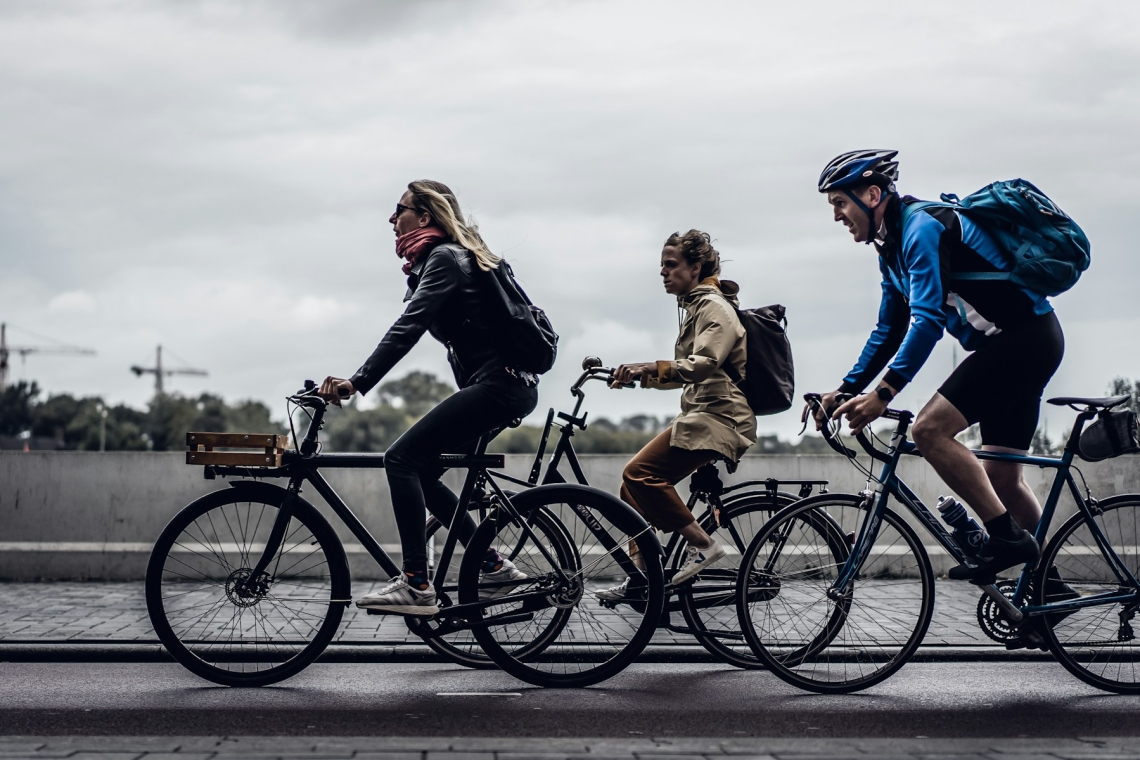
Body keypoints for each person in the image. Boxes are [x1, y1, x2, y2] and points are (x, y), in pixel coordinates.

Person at [809, 149, 1066, 584]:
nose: (836, 215)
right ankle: (1049, 590)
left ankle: (1007, 540)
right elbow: (889, 328)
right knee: (1002, 479)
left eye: (839, 202)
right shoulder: (889, 247)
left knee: (928, 430)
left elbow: (926, 322)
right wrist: (847, 388)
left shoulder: (921, 229)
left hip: (1024, 340)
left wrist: (884, 393)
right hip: (1018, 344)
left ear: (873, 195)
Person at [319, 180, 536, 616]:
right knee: (422, 472)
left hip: (499, 386)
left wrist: (357, 382)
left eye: (398, 210)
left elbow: (409, 325)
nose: (390, 219)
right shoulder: (445, 258)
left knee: (399, 459)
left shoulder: (444, 259)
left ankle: (417, 583)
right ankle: (492, 565)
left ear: (424, 217)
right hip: (506, 385)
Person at [599, 230, 756, 599]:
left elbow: (703, 364)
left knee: (639, 473)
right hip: (705, 414)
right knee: (631, 490)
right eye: (662, 266)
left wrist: (648, 366)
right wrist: (642, 376)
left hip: (720, 418)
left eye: (671, 265)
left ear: (695, 267)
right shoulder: (698, 307)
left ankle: (704, 545)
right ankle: (643, 579)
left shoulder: (715, 307)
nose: (663, 273)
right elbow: (689, 370)